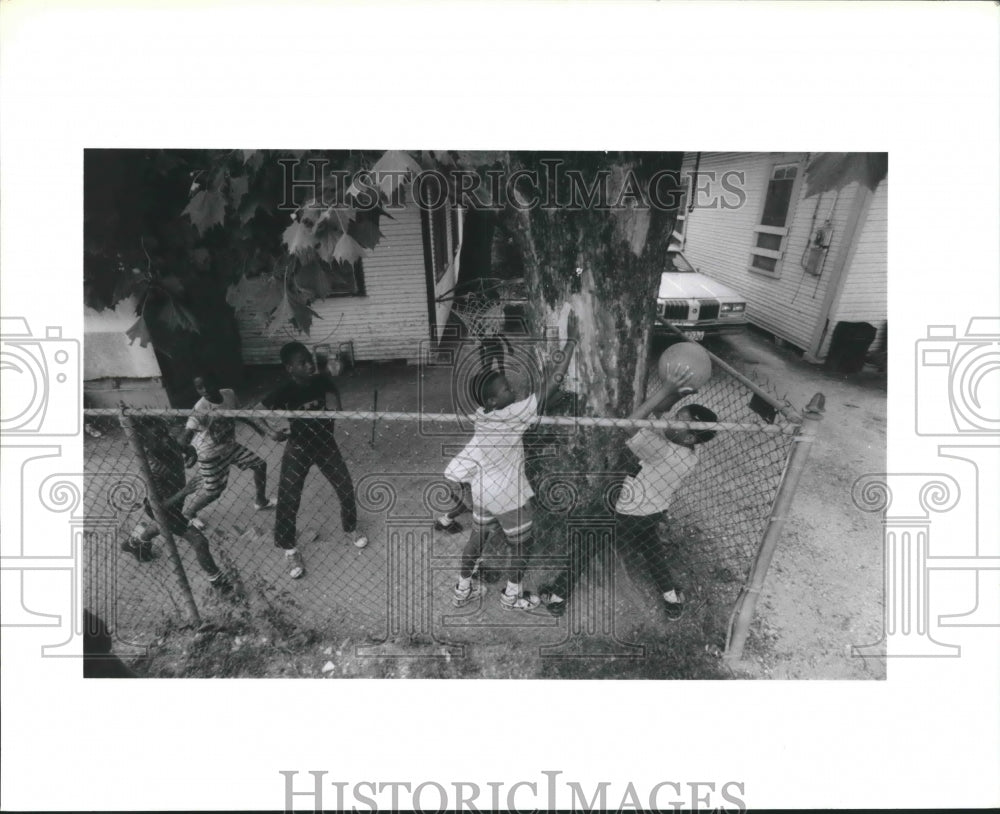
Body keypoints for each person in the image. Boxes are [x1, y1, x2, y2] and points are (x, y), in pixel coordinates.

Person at [538, 364, 717, 621]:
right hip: (652, 512)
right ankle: (671, 600)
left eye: (680, 421)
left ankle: (557, 596)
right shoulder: (690, 452)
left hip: (625, 513)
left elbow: (630, 423)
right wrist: (678, 395)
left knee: (586, 546)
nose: (671, 421)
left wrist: (666, 388)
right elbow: (659, 414)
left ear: (689, 438)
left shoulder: (662, 449)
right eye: (678, 415)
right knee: (653, 552)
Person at [447, 336, 576, 611]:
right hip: (507, 495)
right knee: (523, 545)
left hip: (482, 491)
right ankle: (511, 597)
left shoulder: (483, 414)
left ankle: (462, 590)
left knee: (476, 540)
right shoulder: (511, 416)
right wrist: (571, 342)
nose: (513, 390)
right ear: (494, 399)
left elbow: (541, 399)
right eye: (507, 389)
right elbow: (551, 384)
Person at [260, 342, 368, 580]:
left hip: (326, 445)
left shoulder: (320, 381)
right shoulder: (285, 390)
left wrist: (337, 409)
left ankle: (350, 528)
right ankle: (289, 548)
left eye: (309, 360)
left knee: (345, 487)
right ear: (290, 368)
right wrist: (271, 432)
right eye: (303, 362)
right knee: (289, 497)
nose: (309, 365)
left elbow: (333, 391)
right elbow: (257, 410)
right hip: (298, 448)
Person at [123, 416, 235, 595]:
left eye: (166, 433)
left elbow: (185, 446)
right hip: (164, 509)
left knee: (163, 527)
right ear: (147, 444)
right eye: (159, 437)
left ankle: (135, 543)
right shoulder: (155, 470)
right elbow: (159, 507)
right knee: (199, 542)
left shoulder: (169, 444)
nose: (166, 438)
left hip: (173, 507)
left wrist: (191, 452)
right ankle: (218, 581)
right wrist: (184, 492)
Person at [179, 371, 287, 531]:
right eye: (200, 388)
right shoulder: (200, 409)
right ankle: (189, 513)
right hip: (209, 454)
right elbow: (184, 437)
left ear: (217, 382)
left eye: (208, 384)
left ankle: (260, 501)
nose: (205, 390)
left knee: (259, 465)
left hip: (230, 446)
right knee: (214, 492)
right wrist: (188, 450)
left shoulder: (228, 394)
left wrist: (255, 425)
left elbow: (238, 412)